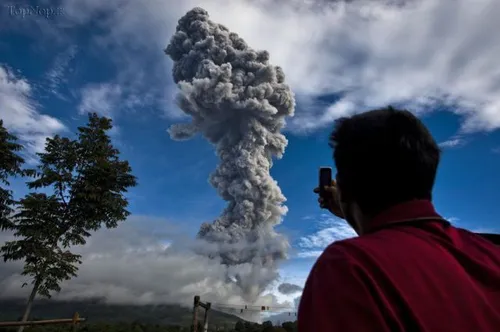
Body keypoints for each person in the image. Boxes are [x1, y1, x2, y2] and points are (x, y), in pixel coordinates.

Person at [298, 106, 500, 332]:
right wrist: (350, 210)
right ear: (428, 173)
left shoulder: (347, 267)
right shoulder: (489, 255)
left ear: (344, 188)